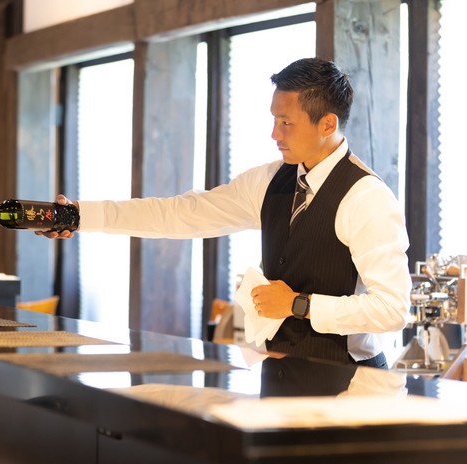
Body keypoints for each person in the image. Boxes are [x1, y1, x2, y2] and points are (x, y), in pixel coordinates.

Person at [39, 57, 411, 368]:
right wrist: (80, 216)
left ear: (327, 124)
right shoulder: (269, 180)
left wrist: (300, 305)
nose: (274, 134)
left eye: (286, 122)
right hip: (280, 371)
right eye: (274, 119)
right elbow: (181, 214)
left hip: (350, 382)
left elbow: (393, 309)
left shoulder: (366, 197)